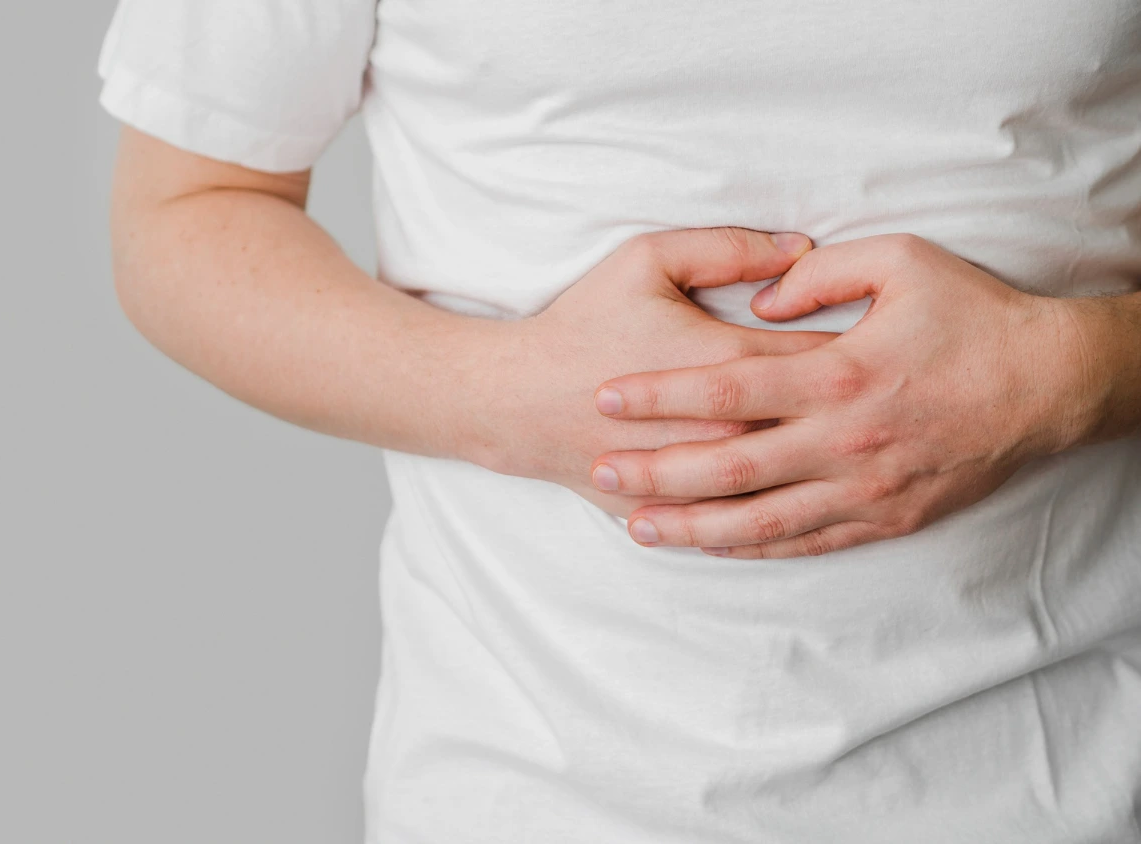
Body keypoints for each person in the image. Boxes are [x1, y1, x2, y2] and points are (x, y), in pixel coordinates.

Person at [97, 1, 1141, 840]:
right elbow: (184, 212)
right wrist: (506, 398)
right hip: (530, 797)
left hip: (1077, 783)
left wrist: (1068, 376)